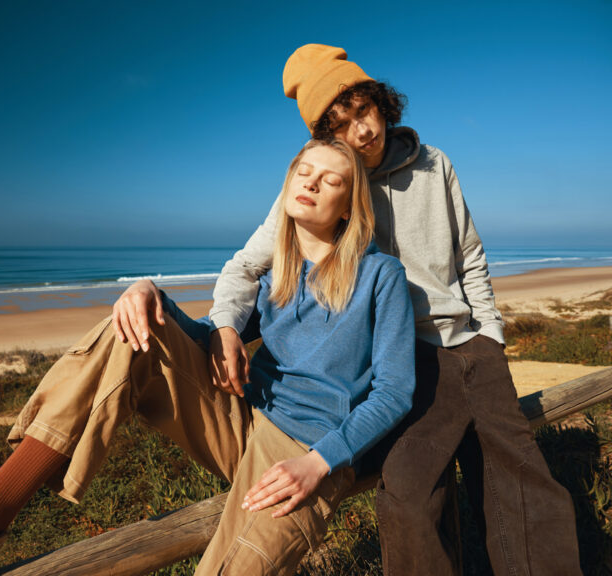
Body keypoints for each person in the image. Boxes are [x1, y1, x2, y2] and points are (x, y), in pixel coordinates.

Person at [0, 138, 416, 576]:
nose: (312, 184)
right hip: (239, 419)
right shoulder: (274, 276)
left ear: (350, 204)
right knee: (129, 328)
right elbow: (204, 338)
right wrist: (149, 292)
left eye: (332, 180)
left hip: (305, 454)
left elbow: (395, 391)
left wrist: (320, 463)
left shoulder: (379, 276)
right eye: (304, 172)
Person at [204, 44, 583, 575]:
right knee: (407, 496)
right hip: (409, 355)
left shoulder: (436, 164)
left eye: (364, 110)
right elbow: (249, 266)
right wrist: (224, 325)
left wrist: (491, 333)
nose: (361, 131)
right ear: (325, 139)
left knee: (519, 473)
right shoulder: (330, 186)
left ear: (382, 103)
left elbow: (469, 255)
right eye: (341, 126)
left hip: (471, 341)